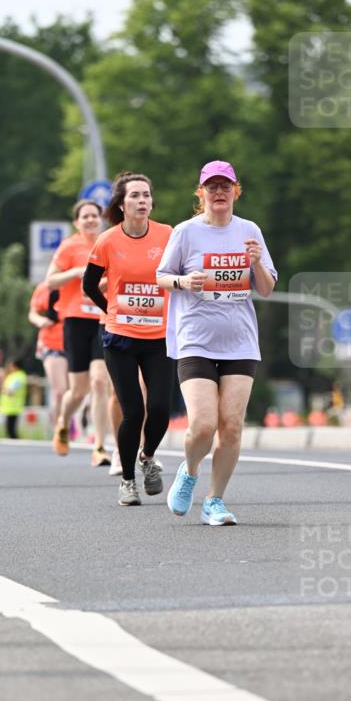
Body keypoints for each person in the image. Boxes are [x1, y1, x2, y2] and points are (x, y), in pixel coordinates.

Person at [156, 160, 277, 525]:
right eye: (212, 187)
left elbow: (267, 288)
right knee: (204, 425)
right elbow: (161, 276)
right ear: (202, 193)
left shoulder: (249, 230)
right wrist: (183, 282)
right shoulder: (186, 232)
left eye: (226, 187)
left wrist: (256, 263)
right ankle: (190, 471)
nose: (219, 193)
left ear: (236, 191)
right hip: (195, 340)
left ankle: (214, 501)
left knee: (232, 426)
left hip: (240, 342)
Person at [83, 171, 172, 506]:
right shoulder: (108, 240)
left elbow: (178, 273)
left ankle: (147, 457)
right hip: (121, 337)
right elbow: (89, 285)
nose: (142, 201)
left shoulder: (167, 235)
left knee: (160, 408)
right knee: (132, 411)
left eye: (146, 195)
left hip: (159, 336)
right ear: (121, 204)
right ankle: (128, 481)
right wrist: (110, 310)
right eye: (135, 195)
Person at [46, 200, 112, 466]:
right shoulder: (69, 246)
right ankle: (63, 421)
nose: (90, 220)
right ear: (77, 222)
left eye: (94, 215)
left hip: (103, 319)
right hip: (75, 321)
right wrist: (75, 272)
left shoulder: (108, 243)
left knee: (99, 382)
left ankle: (99, 446)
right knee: (78, 390)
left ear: (101, 219)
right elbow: (50, 281)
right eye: (85, 216)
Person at [28, 280, 68, 430]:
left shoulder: (79, 283)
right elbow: (33, 313)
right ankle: (60, 429)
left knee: (75, 391)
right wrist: (40, 321)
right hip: (52, 342)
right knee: (60, 391)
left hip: (78, 341)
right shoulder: (45, 287)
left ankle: (71, 423)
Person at [0, 357, 27, 439]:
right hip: (9, 407)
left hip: (14, 407)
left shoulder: (19, 377)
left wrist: (2, 381)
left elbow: (10, 391)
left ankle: (17, 443)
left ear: (15, 366)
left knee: (11, 430)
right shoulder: (13, 376)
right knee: (10, 430)